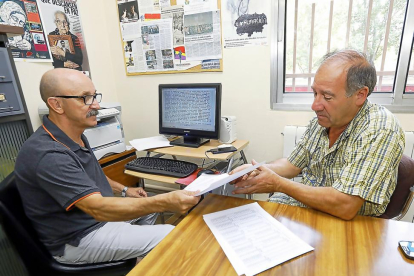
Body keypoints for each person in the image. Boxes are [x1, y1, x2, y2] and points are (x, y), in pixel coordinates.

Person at [15, 68, 200, 264]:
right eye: (85, 98)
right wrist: (165, 201)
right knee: (170, 234)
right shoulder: (49, 154)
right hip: (78, 238)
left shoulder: (75, 135)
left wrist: (124, 190)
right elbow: (98, 209)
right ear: (56, 104)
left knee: (151, 206)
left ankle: (140, 261)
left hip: (96, 220)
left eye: (94, 96)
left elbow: (90, 177)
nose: (96, 105)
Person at [231, 49, 405, 220]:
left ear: (360, 95)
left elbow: (346, 205)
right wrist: (257, 170)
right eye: (315, 93)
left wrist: (278, 184)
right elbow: (292, 165)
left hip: (350, 223)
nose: (315, 105)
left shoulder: (380, 128)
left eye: (327, 97)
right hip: (308, 206)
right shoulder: (322, 121)